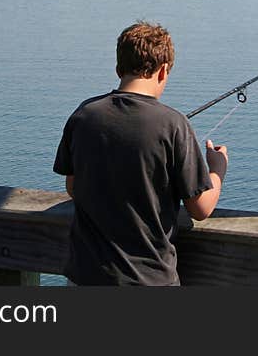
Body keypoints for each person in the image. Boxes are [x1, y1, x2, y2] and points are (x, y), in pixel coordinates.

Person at [53, 21, 228, 285]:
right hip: (148, 280)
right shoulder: (173, 124)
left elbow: (73, 186)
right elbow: (200, 208)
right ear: (163, 70)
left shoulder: (84, 115)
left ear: (117, 68)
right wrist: (217, 170)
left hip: (86, 276)